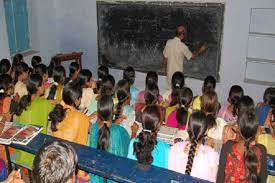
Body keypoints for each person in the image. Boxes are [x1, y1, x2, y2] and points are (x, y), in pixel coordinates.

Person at [11, 74, 53, 169]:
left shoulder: (23, 100)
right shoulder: (44, 103)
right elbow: (56, 114)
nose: (44, 86)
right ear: (38, 87)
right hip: (35, 152)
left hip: (20, 151)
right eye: (43, 84)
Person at [217, 109, 267, 183]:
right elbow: (263, 179)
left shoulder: (228, 146)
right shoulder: (261, 150)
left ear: (238, 129)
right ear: (256, 130)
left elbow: (220, 176)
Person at [168, 111, 219, 182]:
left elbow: (170, 176)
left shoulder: (175, 148)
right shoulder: (211, 155)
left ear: (188, 128)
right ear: (206, 131)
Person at [89, 95, 130, 183]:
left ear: (98, 112)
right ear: (113, 111)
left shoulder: (93, 128)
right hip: (114, 179)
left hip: (95, 179)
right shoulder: (120, 131)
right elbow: (127, 154)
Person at [128, 105, 170, 169]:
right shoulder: (165, 147)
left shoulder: (133, 142)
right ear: (159, 125)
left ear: (142, 122)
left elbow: (129, 165)